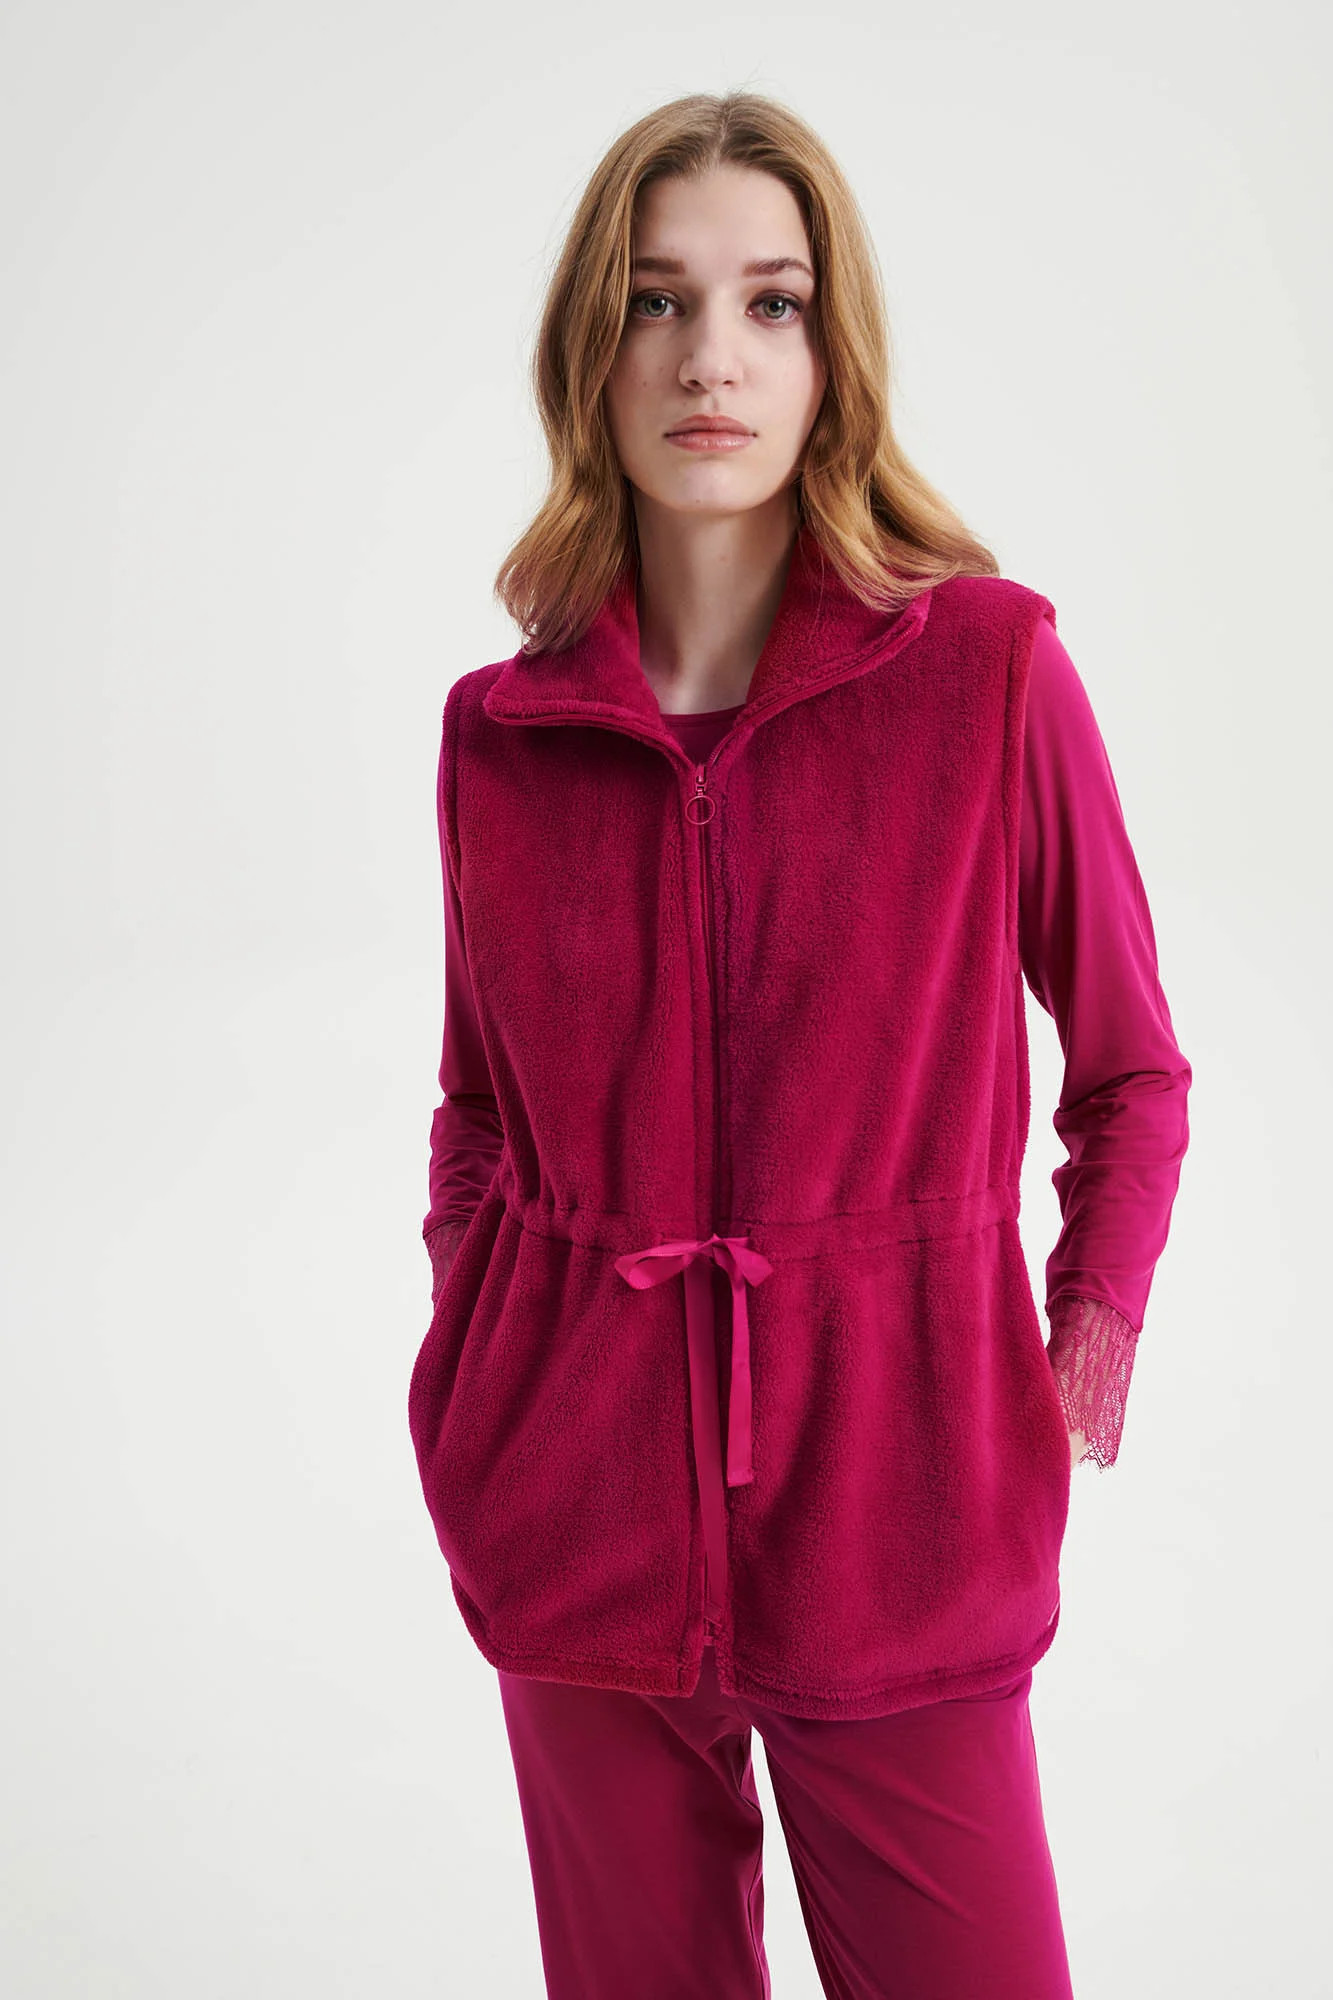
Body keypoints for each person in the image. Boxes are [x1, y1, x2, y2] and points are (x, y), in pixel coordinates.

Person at [407, 90, 1192, 2000]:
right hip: (574, 1523)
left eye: (769, 303)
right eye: (656, 301)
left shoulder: (988, 672)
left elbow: (1127, 1075)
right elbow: (478, 1110)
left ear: (831, 354)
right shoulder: (500, 737)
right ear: (589, 354)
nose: (711, 359)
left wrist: (1061, 1357)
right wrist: (478, 1368)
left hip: (899, 1517)